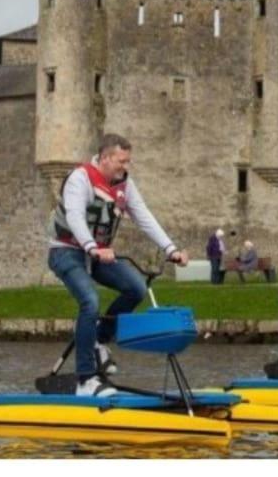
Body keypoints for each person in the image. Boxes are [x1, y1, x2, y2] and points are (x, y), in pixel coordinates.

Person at [48, 133, 188, 397]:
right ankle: (85, 380)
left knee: (136, 288)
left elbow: (143, 216)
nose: (126, 166)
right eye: (122, 161)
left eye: (128, 161)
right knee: (90, 302)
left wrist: (171, 249)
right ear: (105, 158)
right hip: (66, 252)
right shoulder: (80, 179)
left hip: (97, 254)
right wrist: (92, 247)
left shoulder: (125, 185)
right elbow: (76, 218)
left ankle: (99, 341)